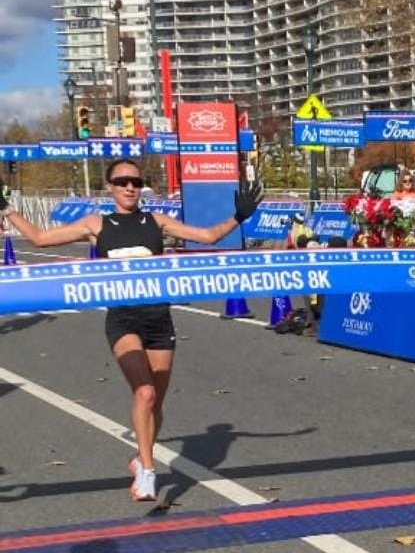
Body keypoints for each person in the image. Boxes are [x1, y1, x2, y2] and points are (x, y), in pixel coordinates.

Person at [0, 159, 262, 502]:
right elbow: (39, 238)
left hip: (158, 319)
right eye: (122, 181)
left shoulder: (156, 221)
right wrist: (6, 209)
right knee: (145, 393)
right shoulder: (96, 223)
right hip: (123, 320)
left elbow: (207, 236)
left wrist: (239, 217)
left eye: (136, 182)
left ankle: (141, 457)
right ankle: (149, 471)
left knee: (156, 403)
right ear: (109, 186)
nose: (129, 187)